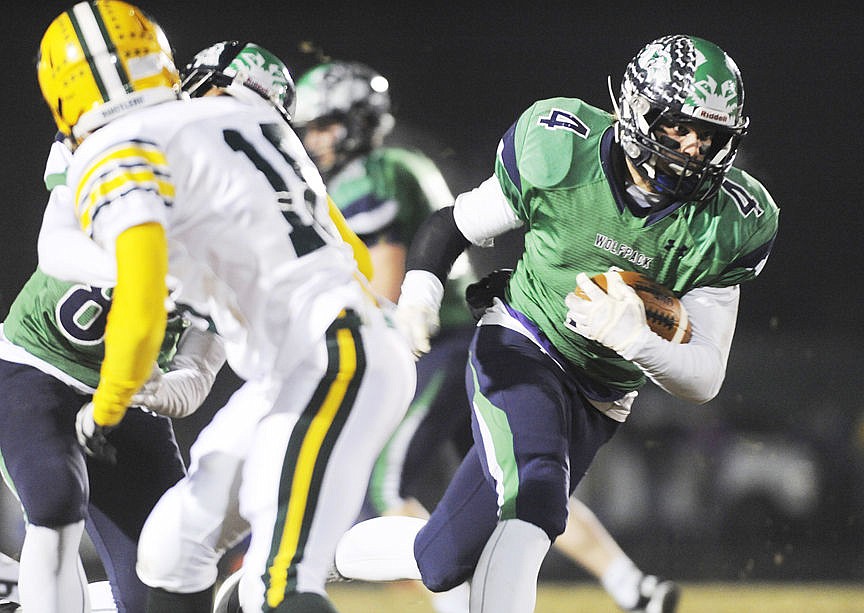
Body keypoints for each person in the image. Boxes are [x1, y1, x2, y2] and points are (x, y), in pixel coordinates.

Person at [333, 33, 779, 613]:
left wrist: (635, 340)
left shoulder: (733, 220)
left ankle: (305, 562)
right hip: (522, 339)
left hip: (603, 393)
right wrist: (418, 293)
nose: (695, 147)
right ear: (639, 108)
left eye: (711, 134)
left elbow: (704, 377)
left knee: (441, 560)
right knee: (536, 496)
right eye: (679, 126)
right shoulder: (562, 148)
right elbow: (456, 223)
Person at [37, 5, 415, 612]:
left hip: (328, 356)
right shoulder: (247, 118)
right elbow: (358, 261)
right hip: (309, 358)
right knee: (169, 550)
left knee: (281, 583)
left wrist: (107, 407)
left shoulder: (118, 149)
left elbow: (137, 290)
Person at [297, 61, 681, 613]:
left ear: (355, 120)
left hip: (434, 346)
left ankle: (442, 599)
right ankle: (628, 583)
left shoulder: (369, 176)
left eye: (324, 124)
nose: (315, 138)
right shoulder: (405, 160)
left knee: (388, 487)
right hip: (473, 338)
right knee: (519, 487)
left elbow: (385, 280)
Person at [0, 118, 225, 613]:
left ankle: (19, 595)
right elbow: (56, 247)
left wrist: (153, 388)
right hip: (37, 364)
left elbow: (197, 376)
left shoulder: (240, 240)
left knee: (165, 564)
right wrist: (143, 272)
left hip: (125, 398)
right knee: (54, 502)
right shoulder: (126, 165)